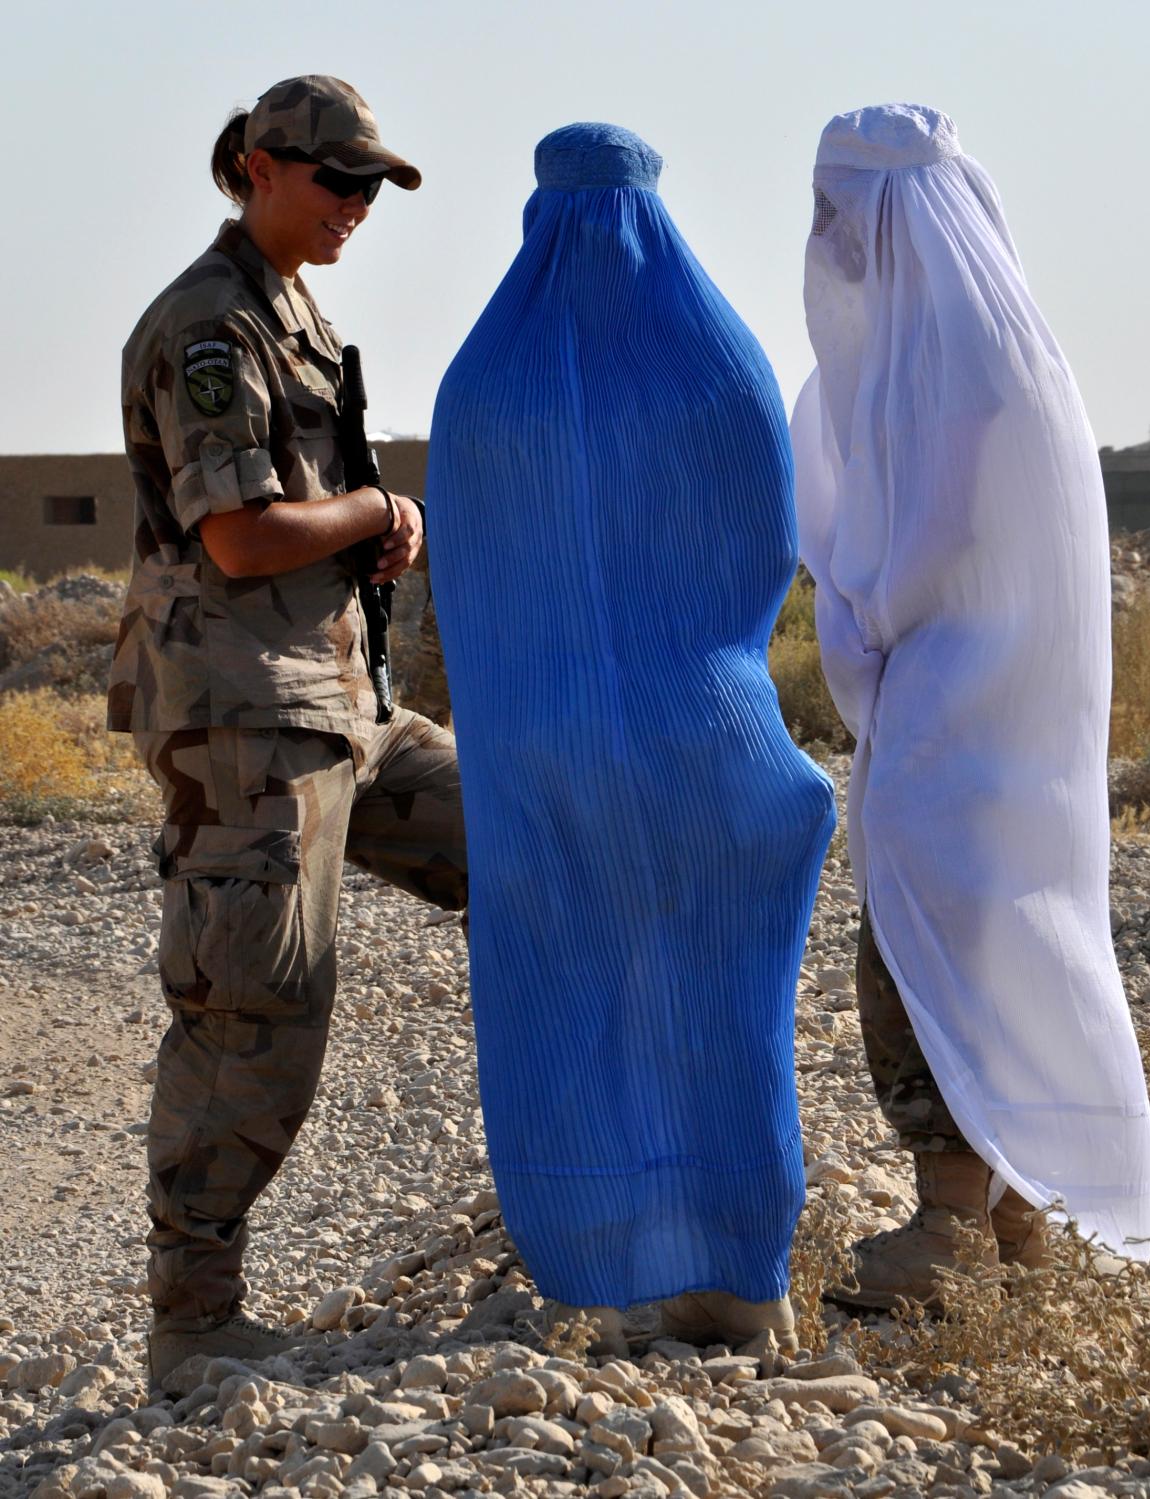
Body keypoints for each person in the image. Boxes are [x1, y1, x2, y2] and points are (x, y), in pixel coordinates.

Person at [426, 123, 837, 1354]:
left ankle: (607, 1271)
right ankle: (738, 1274)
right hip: (712, 749)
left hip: (542, 761)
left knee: (570, 993)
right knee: (725, 1000)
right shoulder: (725, 365)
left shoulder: (482, 383)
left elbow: (471, 594)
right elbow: (769, 557)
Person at [107, 75, 467, 1384]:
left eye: (372, 188)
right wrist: (372, 515)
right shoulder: (212, 329)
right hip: (241, 719)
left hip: (337, 704)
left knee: (530, 848)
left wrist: (372, 528)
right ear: (258, 165)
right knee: (255, 997)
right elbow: (241, 532)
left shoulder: (296, 317)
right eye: (338, 181)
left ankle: (576, 1188)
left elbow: (305, 518)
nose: (358, 208)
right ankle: (194, 1325)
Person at [789, 103, 1150, 1308]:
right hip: (1017, 730)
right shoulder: (1016, 355)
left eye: (843, 211)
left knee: (918, 950)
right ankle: (1016, 1224)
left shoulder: (954, 371)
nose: (827, 236)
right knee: (1003, 946)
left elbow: (919, 558)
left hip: (958, 716)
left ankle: (948, 1226)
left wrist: (852, 605)